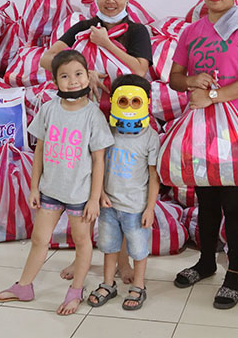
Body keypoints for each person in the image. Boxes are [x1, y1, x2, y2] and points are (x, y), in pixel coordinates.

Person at [41, 0, 153, 284]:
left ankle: (124, 262)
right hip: (86, 120)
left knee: (119, 193)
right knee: (88, 194)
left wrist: (105, 43)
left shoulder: (136, 31)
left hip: (123, 125)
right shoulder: (82, 28)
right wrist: (81, 71)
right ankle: (84, 259)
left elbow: (140, 70)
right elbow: (47, 59)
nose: (111, 1)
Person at [169, 0, 238, 309]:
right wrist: (193, 81)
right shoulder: (192, 31)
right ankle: (207, 262)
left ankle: (235, 275)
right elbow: (175, 77)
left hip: (235, 128)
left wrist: (212, 95)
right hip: (201, 126)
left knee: (233, 201)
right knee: (206, 200)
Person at [0, 50, 114, 315]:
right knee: (39, 239)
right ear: (55, 81)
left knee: (82, 242)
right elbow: (39, 151)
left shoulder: (93, 115)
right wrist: (35, 186)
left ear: (87, 75)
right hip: (50, 190)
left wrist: (94, 198)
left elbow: (99, 161)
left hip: (80, 194)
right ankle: (24, 286)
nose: (73, 81)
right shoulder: (48, 109)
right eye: (65, 76)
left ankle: (75, 292)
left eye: (79, 74)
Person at [87, 74, 160, 311]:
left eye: (136, 102)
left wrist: (150, 208)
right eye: (123, 101)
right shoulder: (109, 131)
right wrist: (100, 194)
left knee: (138, 249)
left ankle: (139, 286)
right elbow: (99, 164)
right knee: (109, 246)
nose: (129, 107)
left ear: (146, 102)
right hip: (109, 204)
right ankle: (108, 283)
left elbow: (153, 176)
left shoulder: (150, 137)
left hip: (136, 208)